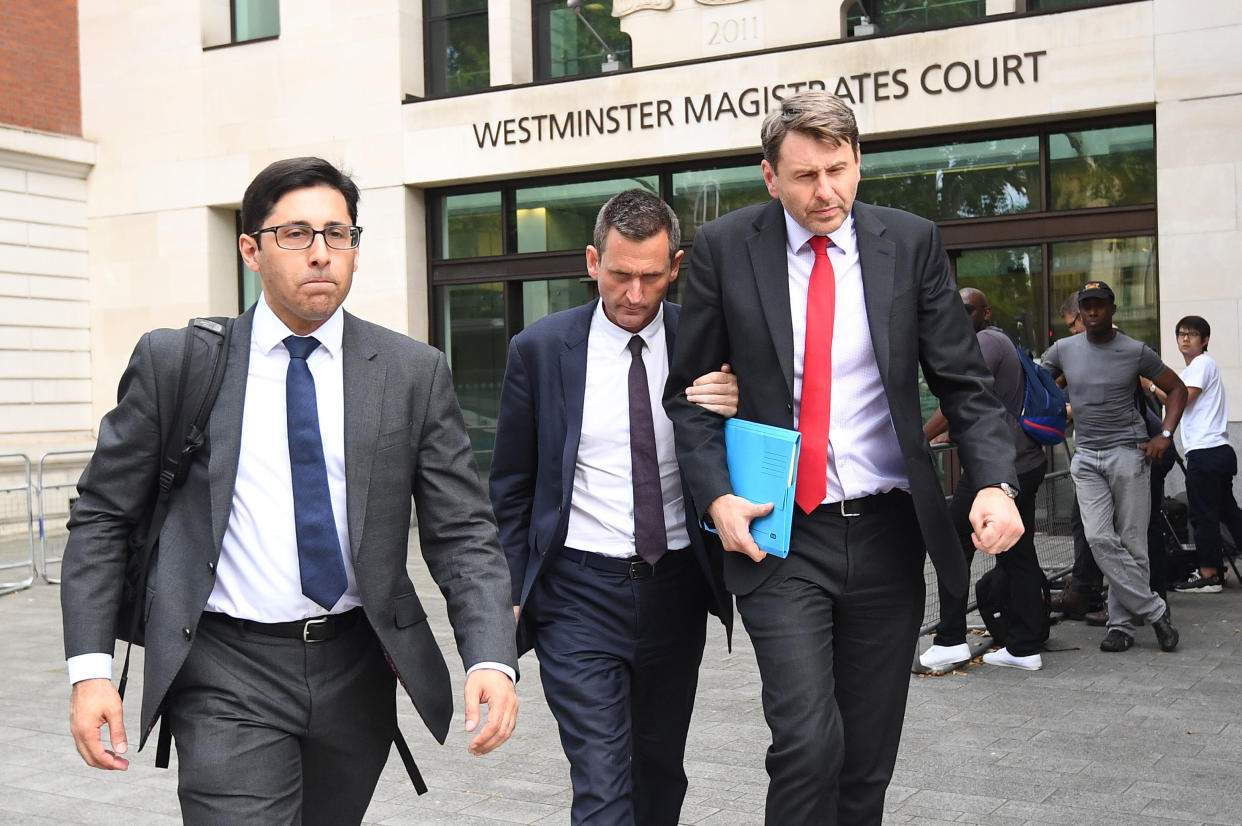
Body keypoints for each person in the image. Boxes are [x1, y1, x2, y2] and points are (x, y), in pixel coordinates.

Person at [61, 157, 519, 825]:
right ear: (250, 248)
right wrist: (90, 668)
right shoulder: (178, 362)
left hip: (356, 669)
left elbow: (462, 530)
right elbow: (102, 515)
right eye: (296, 234)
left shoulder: (411, 372)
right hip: (224, 669)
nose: (321, 254)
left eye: (339, 234)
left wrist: (490, 655)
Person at [663, 90, 1024, 825]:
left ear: (858, 162)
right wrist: (715, 496)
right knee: (806, 742)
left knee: (866, 758)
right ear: (770, 176)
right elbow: (688, 400)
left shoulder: (910, 241)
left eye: (838, 169)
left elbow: (964, 383)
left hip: (890, 533)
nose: (825, 191)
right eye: (804, 176)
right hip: (781, 533)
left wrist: (994, 481)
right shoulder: (729, 249)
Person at [489, 189, 735, 826]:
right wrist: (510, 591)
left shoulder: (706, 345)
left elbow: (748, 450)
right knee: (601, 780)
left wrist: (740, 405)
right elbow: (511, 486)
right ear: (593, 261)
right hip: (576, 593)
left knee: (658, 773)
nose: (634, 293)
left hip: (676, 589)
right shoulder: (540, 350)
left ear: (675, 267)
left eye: (651, 277)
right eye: (620, 274)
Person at [1040, 280, 1186, 654]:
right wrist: (1050, 411)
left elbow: (1177, 389)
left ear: (1112, 309)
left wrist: (1165, 435)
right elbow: (1040, 384)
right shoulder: (1064, 349)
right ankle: (1155, 612)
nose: (1092, 312)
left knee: (1133, 544)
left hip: (1129, 453)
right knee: (1100, 539)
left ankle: (1121, 625)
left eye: (1099, 305)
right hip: (1086, 456)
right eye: (1086, 306)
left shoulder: (1135, 350)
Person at [920, 288, 1049, 671]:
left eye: (967, 308)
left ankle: (951, 639)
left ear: (985, 312)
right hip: (1016, 462)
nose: (959, 314)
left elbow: (961, 398)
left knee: (955, 541)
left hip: (997, 470)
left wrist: (918, 439)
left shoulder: (984, 342)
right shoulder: (999, 340)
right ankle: (1024, 646)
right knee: (1017, 553)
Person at [1169, 315, 1242, 593]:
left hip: (1206, 452)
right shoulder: (1194, 369)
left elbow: (1182, 398)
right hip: (1216, 451)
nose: (1185, 338)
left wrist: (1151, 385)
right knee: (1227, 512)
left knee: (1204, 515)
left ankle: (1209, 575)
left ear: (1205, 340)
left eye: (1192, 334)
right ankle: (1213, 572)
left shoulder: (1202, 364)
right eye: (1181, 334)